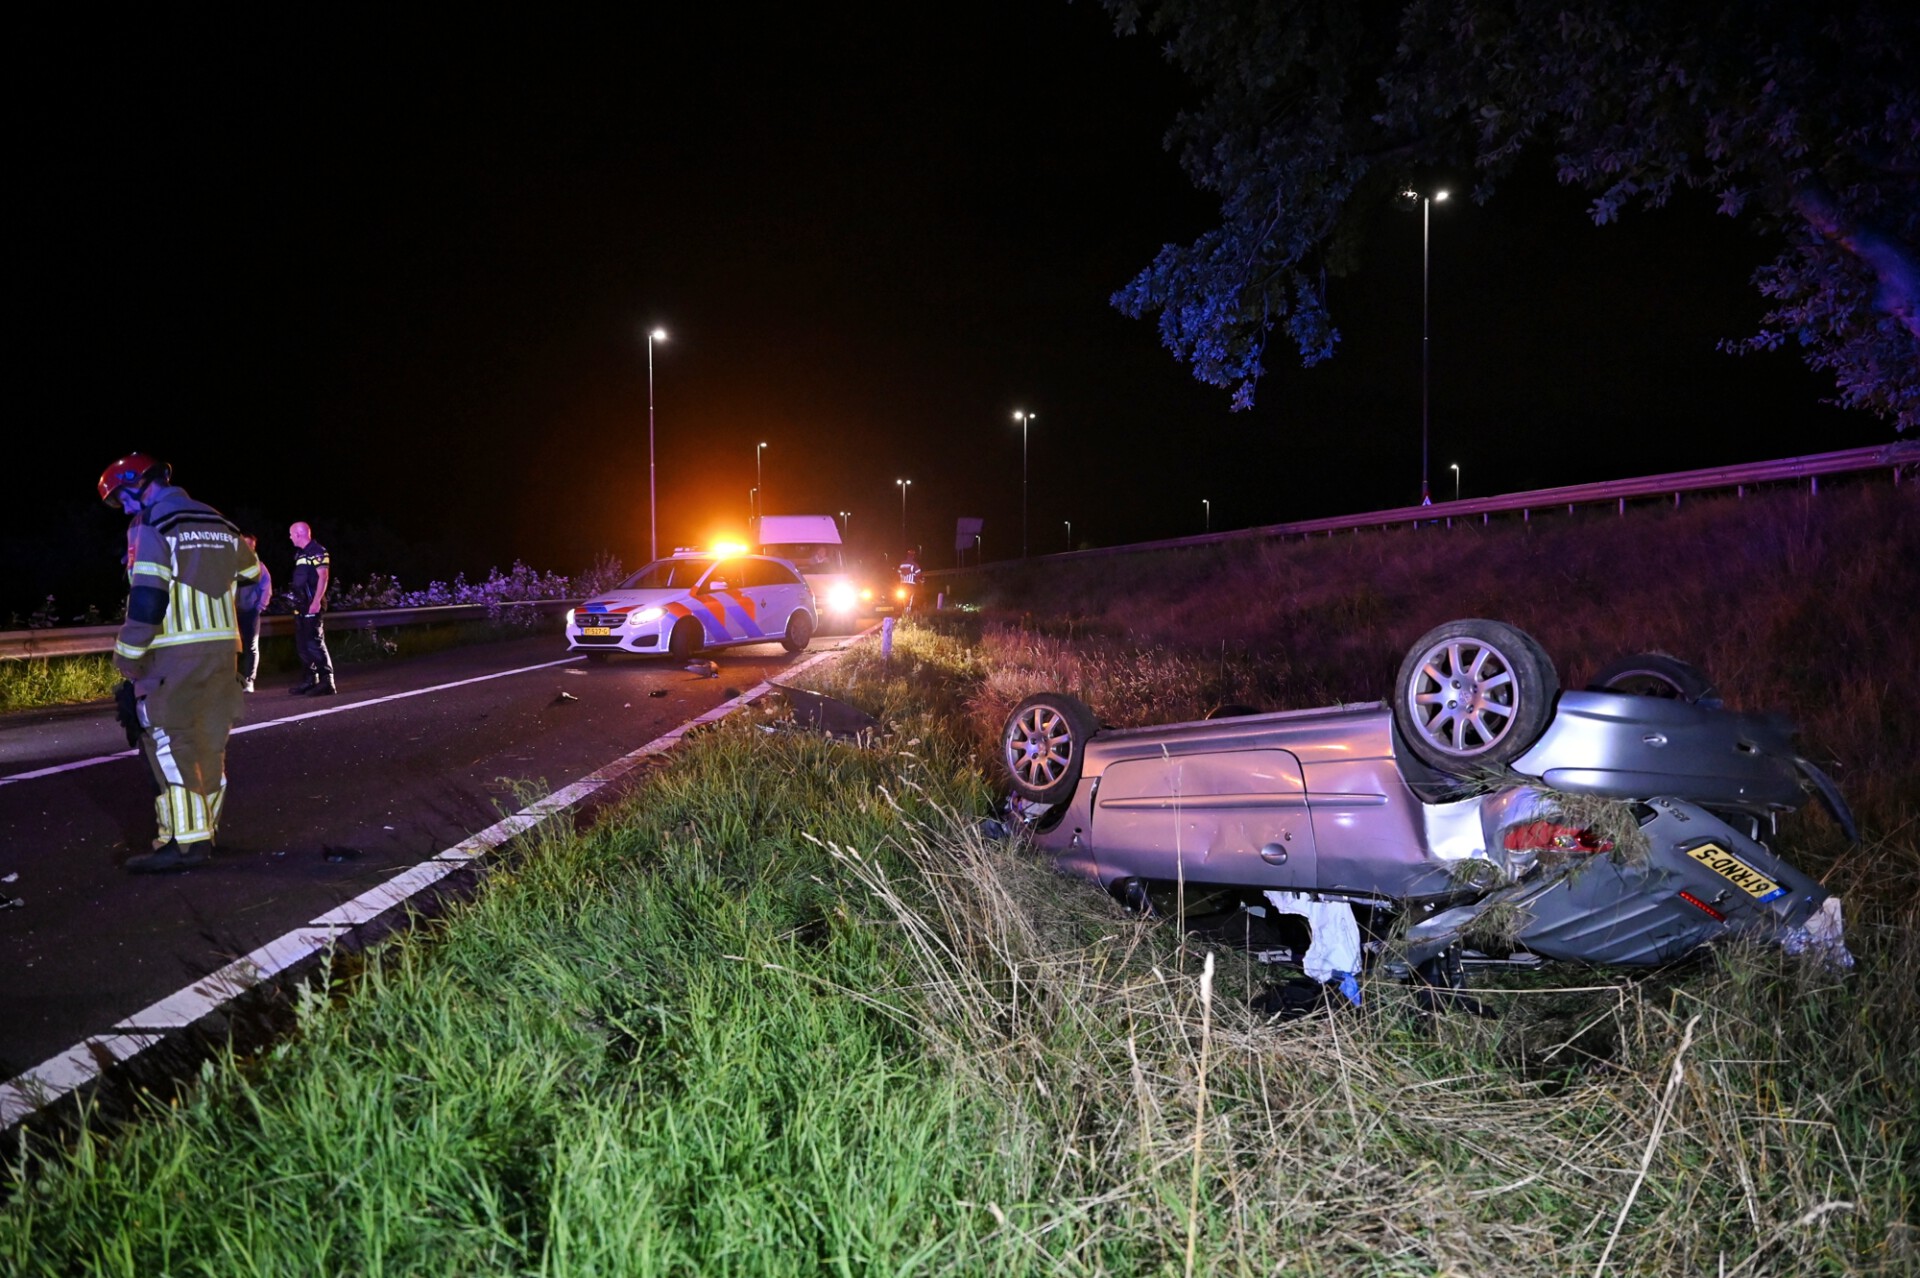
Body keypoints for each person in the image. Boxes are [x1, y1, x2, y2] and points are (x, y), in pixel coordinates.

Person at [98, 452, 263, 873]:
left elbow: (148, 596)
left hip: (173, 655)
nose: (127, 509)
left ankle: (185, 845)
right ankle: (205, 832)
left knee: (170, 743)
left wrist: (128, 654)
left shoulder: (153, 525)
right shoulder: (221, 523)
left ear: (142, 483)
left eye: (125, 499)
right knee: (210, 742)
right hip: (223, 654)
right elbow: (253, 579)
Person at [286, 521, 334, 695]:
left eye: (291, 534)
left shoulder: (317, 551)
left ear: (299, 533)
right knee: (302, 645)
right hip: (301, 605)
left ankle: (327, 681)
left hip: (312, 604)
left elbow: (323, 577)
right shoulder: (300, 554)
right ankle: (309, 680)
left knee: (314, 643)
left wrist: (316, 602)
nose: (290, 537)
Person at [236, 534, 273, 693]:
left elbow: (267, 588)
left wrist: (259, 607)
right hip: (232, 613)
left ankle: (249, 680)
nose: (248, 547)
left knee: (251, 646)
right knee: (232, 648)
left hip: (250, 611)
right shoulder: (231, 565)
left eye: (250, 545)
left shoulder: (259, 566)